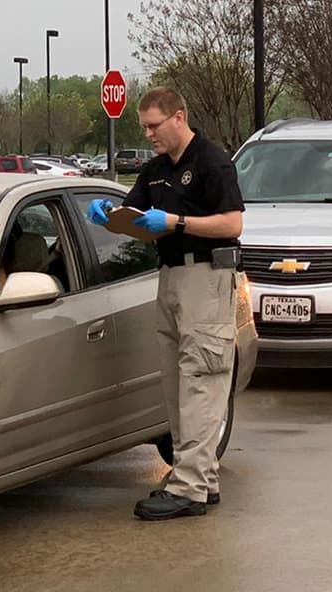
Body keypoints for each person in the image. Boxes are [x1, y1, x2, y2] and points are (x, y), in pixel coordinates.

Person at [85, 87, 245, 521]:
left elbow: (233, 222)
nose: (149, 134)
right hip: (170, 276)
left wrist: (177, 221)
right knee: (176, 381)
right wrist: (110, 214)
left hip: (207, 277)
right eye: (144, 127)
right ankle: (199, 478)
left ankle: (188, 489)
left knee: (201, 378)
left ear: (178, 118)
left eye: (154, 126)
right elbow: (135, 216)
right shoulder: (155, 170)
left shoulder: (212, 161)